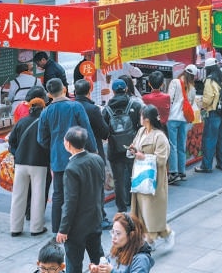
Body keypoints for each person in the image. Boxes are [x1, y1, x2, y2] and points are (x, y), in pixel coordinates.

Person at [38, 78, 98, 234]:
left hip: (57, 158)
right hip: (78, 156)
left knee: (58, 194)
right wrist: (94, 150)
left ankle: (57, 228)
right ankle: (79, 225)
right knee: (80, 191)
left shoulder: (46, 112)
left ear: (49, 94)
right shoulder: (75, 106)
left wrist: (53, 147)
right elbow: (87, 130)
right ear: (64, 89)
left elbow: (41, 139)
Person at [56, 127, 105, 273]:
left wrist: (63, 229)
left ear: (68, 144)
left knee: (74, 263)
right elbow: (100, 190)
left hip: (77, 226)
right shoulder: (97, 159)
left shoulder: (72, 168)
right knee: (98, 259)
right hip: (95, 218)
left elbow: (70, 202)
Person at [129, 105, 174, 251]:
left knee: (151, 212)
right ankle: (153, 238)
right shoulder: (141, 131)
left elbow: (162, 159)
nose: (139, 118)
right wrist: (133, 150)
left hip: (154, 180)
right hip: (140, 178)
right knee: (143, 212)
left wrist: (144, 156)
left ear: (146, 119)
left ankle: (153, 239)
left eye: (141, 116)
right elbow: (136, 147)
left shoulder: (160, 136)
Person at [8, 97, 49, 237]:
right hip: (39, 163)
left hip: (20, 163)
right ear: (43, 108)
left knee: (18, 196)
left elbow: (11, 141)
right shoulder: (44, 123)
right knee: (38, 196)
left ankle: (15, 228)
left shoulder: (22, 122)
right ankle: (36, 228)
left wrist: (17, 153)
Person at [104, 79, 142, 213]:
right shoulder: (135, 105)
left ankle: (121, 206)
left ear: (113, 91)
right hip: (132, 147)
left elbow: (104, 132)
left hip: (114, 150)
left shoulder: (107, 109)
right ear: (126, 89)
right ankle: (133, 201)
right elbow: (141, 127)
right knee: (134, 174)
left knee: (118, 179)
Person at [89, 212, 154, 273]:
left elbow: (112, 270)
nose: (113, 237)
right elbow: (109, 266)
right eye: (112, 232)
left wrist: (112, 271)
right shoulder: (118, 248)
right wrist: (98, 269)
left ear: (131, 235)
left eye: (118, 233)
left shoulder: (141, 259)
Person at [196, 59, 222, 173]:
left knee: (209, 140)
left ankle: (206, 166)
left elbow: (208, 98)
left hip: (214, 112)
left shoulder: (210, 80)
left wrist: (201, 103)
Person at [168, 65, 197, 182]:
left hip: (173, 118)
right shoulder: (192, 88)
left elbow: (169, 99)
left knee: (173, 145)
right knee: (181, 145)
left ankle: (173, 171)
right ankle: (182, 171)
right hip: (183, 119)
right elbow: (190, 103)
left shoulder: (175, 82)